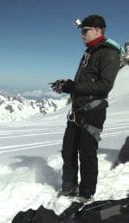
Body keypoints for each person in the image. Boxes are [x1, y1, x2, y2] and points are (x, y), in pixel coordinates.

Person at [52, 15, 121, 202]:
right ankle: (69, 186)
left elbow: (104, 86)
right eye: (81, 32)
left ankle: (86, 194)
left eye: (85, 31)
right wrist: (68, 84)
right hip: (78, 109)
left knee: (87, 153)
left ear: (98, 30)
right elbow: (87, 81)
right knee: (68, 150)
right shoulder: (90, 51)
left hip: (93, 112)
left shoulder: (109, 53)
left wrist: (73, 87)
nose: (82, 35)